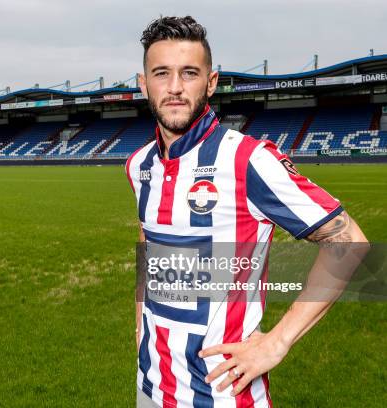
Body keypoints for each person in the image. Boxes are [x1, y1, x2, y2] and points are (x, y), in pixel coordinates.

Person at [126, 15, 368, 408]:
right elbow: (147, 235)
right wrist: (140, 318)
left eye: (189, 73)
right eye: (161, 73)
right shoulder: (140, 165)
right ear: (143, 83)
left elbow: (349, 242)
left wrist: (277, 342)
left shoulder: (246, 160)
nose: (174, 87)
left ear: (211, 81)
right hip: (150, 387)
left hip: (224, 397)